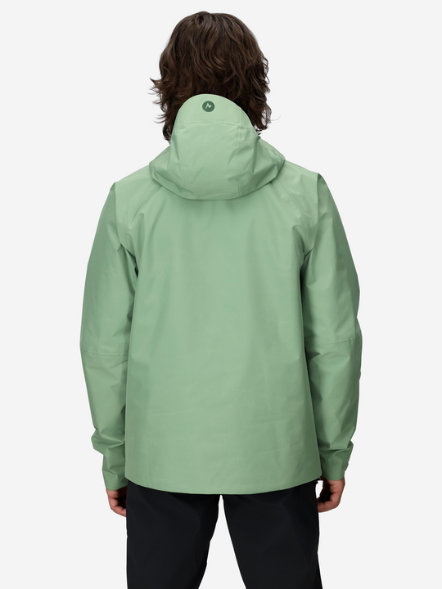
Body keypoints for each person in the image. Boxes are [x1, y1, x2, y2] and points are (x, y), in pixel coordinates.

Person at [79, 11, 363, 589]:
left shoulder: (131, 200)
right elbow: (334, 342)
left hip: (163, 453)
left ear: (168, 85)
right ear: (255, 82)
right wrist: (332, 452)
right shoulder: (304, 194)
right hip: (276, 448)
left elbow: (105, 347)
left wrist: (116, 455)